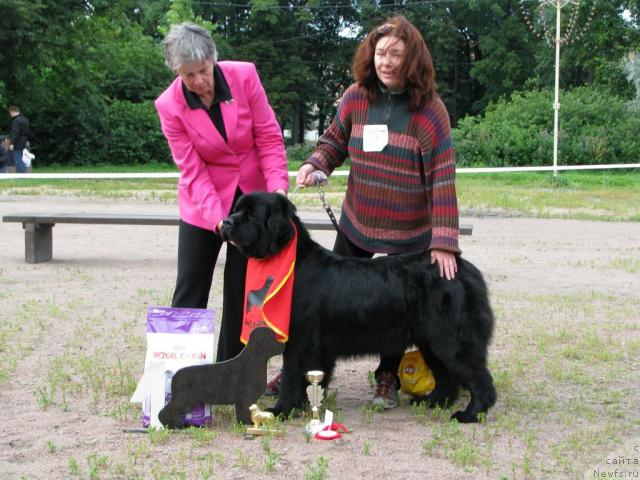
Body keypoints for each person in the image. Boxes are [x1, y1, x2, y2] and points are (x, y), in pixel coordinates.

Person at [295, 15, 461, 410]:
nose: (385, 62)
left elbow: (442, 177)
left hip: (408, 234)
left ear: (413, 60)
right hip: (357, 222)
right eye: (380, 52)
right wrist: (316, 164)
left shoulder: (430, 111)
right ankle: (308, 372)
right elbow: (334, 140)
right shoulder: (356, 96)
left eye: (396, 55)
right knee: (327, 301)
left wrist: (444, 242)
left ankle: (387, 375)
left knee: (397, 310)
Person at [155, 23, 289, 362]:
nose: (198, 81)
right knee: (190, 286)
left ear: (213, 60)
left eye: (203, 71)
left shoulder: (244, 76)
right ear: (177, 72)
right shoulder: (169, 106)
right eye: (188, 76)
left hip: (251, 201)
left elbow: (269, 137)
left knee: (243, 291)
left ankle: (232, 371)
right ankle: (177, 373)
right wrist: (217, 219)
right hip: (202, 205)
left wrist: (278, 191)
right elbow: (192, 169)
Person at [8, 106, 30, 173]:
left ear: (13, 112)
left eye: (10, 113)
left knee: (18, 158)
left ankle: (20, 175)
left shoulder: (16, 121)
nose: (10, 115)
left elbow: (15, 133)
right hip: (24, 140)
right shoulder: (25, 119)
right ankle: (23, 173)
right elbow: (28, 131)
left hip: (18, 141)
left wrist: (11, 143)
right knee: (23, 158)